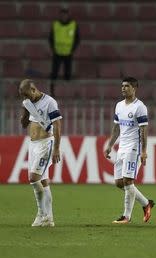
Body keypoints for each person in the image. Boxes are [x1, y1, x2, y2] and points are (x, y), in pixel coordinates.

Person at [104, 77, 155, 224]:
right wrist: (109, 145)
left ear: (134, 88)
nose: (123, 88)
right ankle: (146, 203)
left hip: (134, 148)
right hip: (122, 147)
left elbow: (144, 130)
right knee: (119, 182)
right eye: (122, 86)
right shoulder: (119, 105)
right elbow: (116, 128)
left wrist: (144, 151)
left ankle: (126, 216)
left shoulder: (140, 107)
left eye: (127, 86)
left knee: (127, 181)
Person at [19, 79, 62, 227]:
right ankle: (49, 218)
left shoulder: (50, 102)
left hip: (46, 144)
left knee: (33, 178)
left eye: (26, 94)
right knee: (43, 181)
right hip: (33, 145)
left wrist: (56, 148)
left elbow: (57, 125)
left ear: (33, 89)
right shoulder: (27, 102)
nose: (25, 98)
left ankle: (41, 213)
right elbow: (26, 121)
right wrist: (24, 117)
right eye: (23, 96)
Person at [49, 8, 80, 81]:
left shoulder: (73, 24)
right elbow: (51, 37)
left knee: (68, 75)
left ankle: (67, 86)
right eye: (62, 15)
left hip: (68, 52)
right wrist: (53, 48)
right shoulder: (55, 24)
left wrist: (73, 49)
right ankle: (53, 86)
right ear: (60, 15)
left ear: (68, 15)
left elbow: (77, 38)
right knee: (54, 74)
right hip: (57, 52)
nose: (64, 17)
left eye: (65, 15)